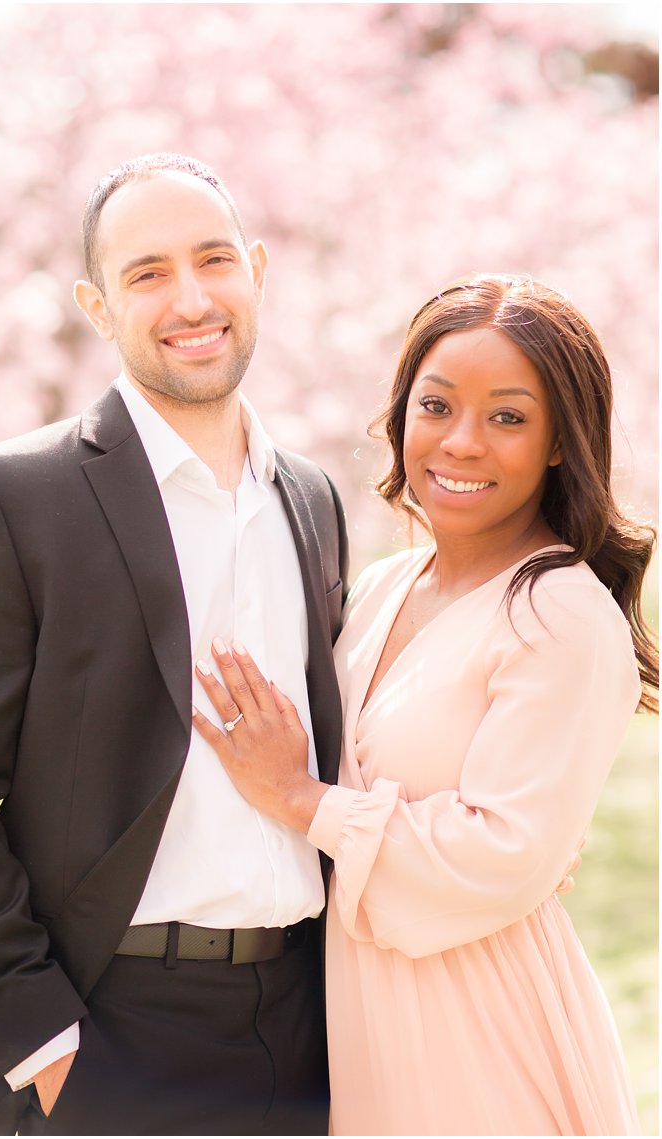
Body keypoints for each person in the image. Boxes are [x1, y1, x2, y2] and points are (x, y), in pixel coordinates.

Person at [0, 153, 347, 1135]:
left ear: (258, 271)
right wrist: (45, 1049)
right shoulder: (8, 496)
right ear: (96, 308)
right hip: (104, 1032)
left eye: (213, 260)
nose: (189, 297)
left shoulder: (310, 500)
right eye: (146, 273)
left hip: (305, 1036)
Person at [193, 273, 656, 1135]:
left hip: (478, 1020)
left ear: (561, 442)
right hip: (356, 1018)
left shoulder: (557, 610)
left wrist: (301, 796)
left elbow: (504, 854)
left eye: (509, 416)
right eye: (436, 406)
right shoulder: (381, 587)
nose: (462, 442)